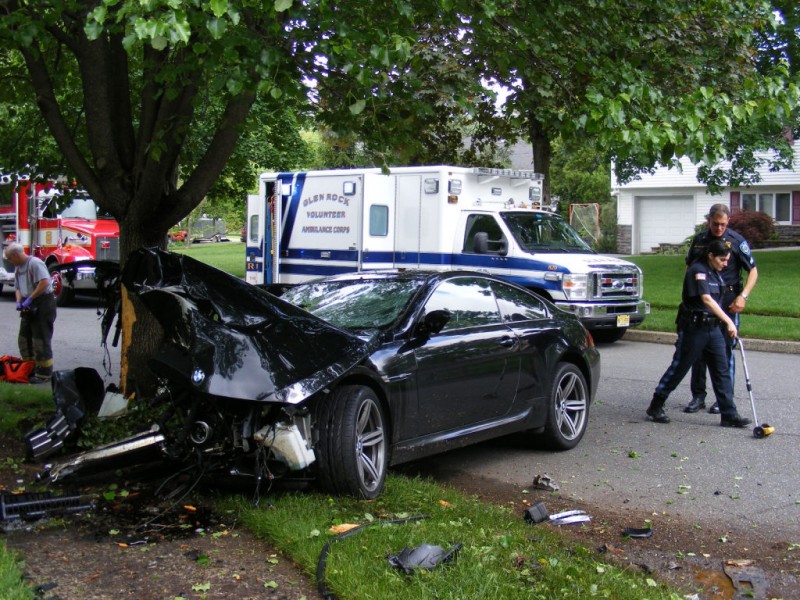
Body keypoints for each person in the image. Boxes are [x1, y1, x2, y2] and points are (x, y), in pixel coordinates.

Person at [646, 238, 752, 427]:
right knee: (679, 367)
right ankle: (656, 405)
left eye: (727, 260)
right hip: (694, 329)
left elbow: (717, 301)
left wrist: (723, 321)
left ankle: (729, 413)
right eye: (722, 260)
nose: (725, 264)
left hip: (713, 329)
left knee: (722, 370)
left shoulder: (716, 272)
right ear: (711, 255)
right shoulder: (698, 270)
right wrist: (729, 321)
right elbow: (707, 299)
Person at [682, 204, 757, 414]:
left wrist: (743, 297)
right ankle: (698, 396)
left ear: (728, 222)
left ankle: (724, 398)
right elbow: (689, 269)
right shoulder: (699, 241)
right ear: (709, 221)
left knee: (725, 350)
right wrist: (688, 297)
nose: (719, 228)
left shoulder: (736, 241)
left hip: (729, 299)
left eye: (723, 224)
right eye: (716, 224)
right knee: (698, 350)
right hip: (704, 299)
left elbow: (753, 271)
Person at [4, 243, 57, 383]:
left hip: (42, 302)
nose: (9, 261)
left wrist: (30, 298)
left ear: (15, 255)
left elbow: (45, 282)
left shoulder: (34, 263)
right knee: (24, 338)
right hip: (29, 302)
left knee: (40, 339)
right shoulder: (18, 268)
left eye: (9, 258)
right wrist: (19, 301)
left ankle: (44, 374)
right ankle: (29, 368)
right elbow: (17, 287)